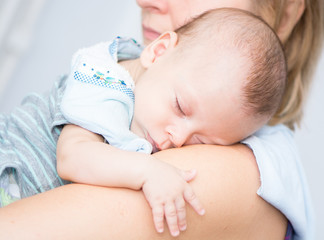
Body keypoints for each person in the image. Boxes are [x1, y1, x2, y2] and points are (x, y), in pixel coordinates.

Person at [0, 0, 322, 240]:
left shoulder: (247, 172)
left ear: (288, 11)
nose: (146, 1)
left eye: (201, 141)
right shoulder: (111, 77)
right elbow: (73, 155)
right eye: (181, 106)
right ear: (159, 52)